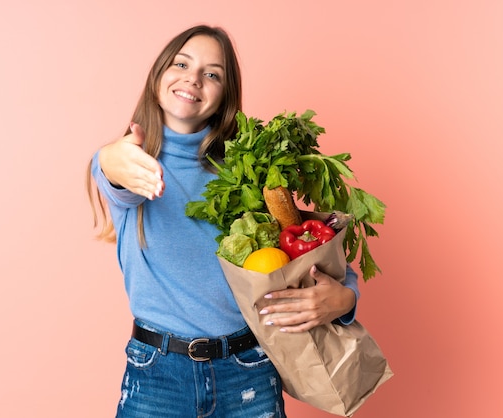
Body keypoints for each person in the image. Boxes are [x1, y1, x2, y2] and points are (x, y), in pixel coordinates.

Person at [87, 24, 360, 418]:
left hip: (247, 369)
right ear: (158, 74)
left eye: (212, 74)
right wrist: (109, 158)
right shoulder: (134, 164)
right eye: (181, 64)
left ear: (224, 97)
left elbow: (303, 243)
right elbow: (115, 173)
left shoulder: (249, 170)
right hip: (156, 375)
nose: (192, 79)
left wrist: (345, 298)